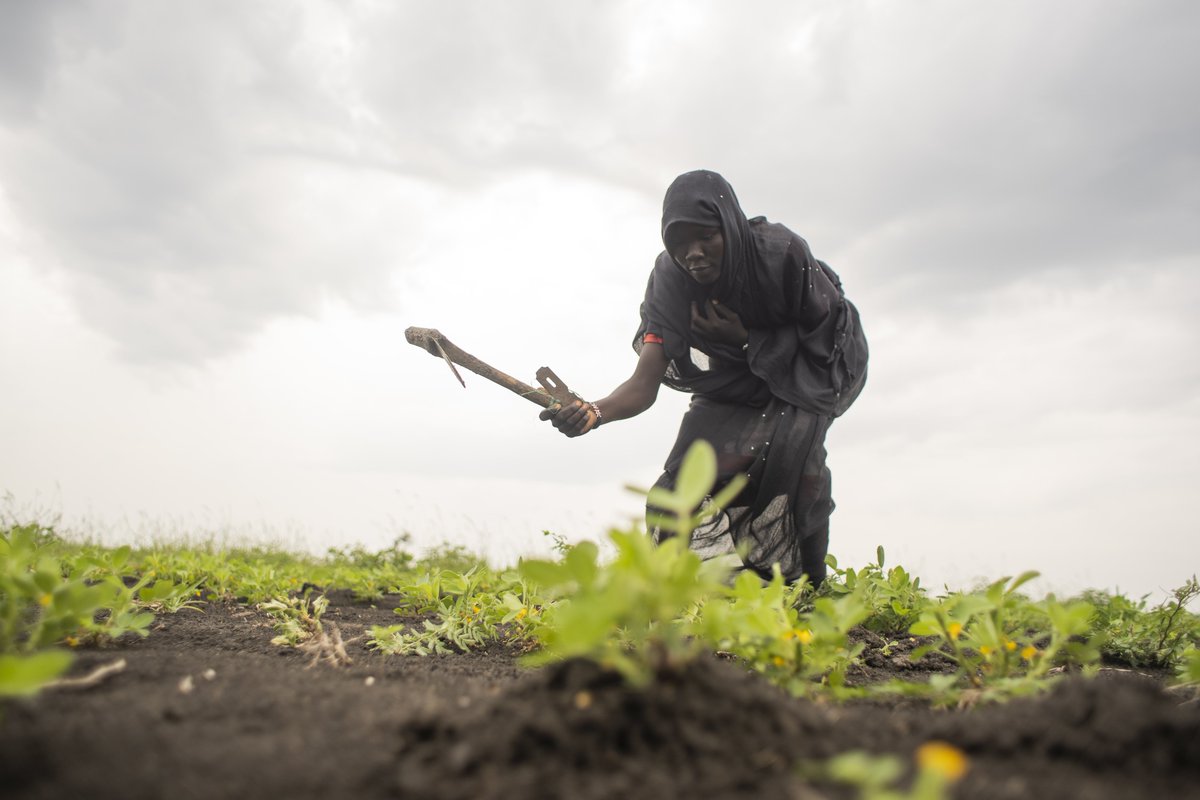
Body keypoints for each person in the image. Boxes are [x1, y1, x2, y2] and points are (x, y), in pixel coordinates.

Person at [540, 169, 868, 587]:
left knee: (800, 472)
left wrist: (751, 340)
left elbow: (825, 340)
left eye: (706, 237)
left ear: (730, 227)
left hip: (812, 371)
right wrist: (594, 412)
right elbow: (644, 384)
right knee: (675, 492)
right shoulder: (670, 283)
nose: (692, 253)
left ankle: (812, 594)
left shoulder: (782, 255)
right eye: (678, 243)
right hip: (731, 381)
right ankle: (673, 597)